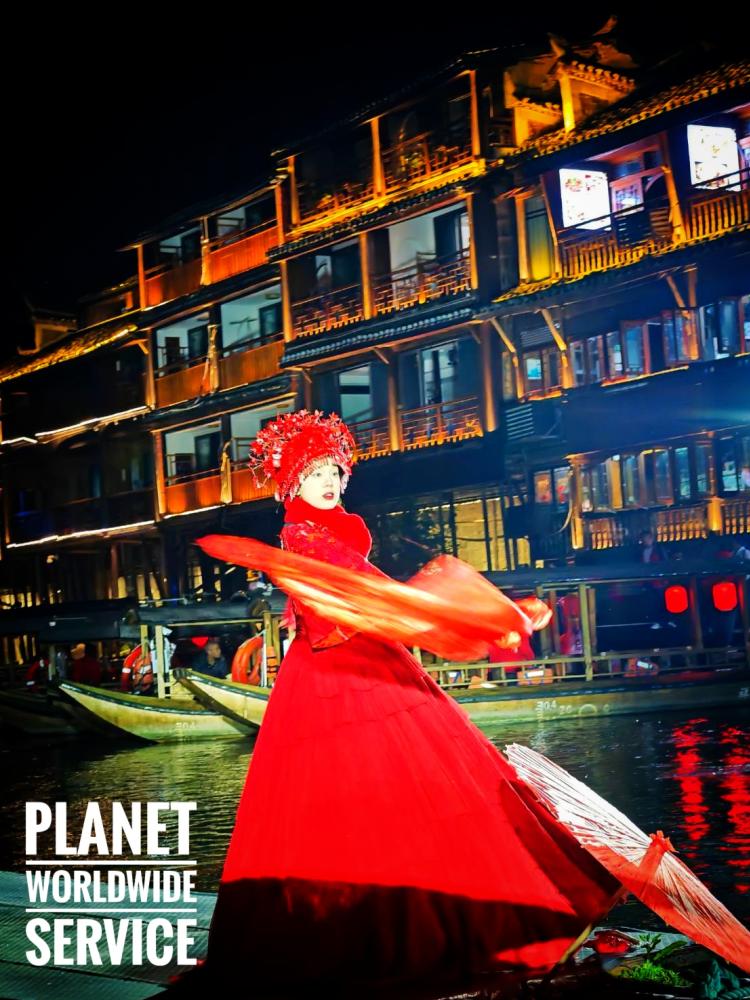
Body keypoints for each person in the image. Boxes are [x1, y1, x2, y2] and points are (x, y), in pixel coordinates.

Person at [174, 410, 620, 995]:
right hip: (331, 671)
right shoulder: (301, 535)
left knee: (429, 785)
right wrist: (466, 613)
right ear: (292, 483)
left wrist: (465, 614)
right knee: (358, 799)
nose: (327, 481)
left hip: (371, 657)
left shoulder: (337, 526)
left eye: (333, 471)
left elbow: (374, 595)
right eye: (312, 473)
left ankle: (481, 902)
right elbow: (366, 594)